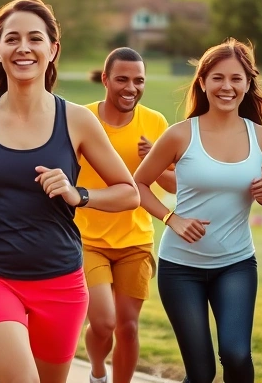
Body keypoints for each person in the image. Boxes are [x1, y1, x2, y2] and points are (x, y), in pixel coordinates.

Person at [0, 0, 140, 383]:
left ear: (52, 49)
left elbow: (128, 192)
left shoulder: (77, 120)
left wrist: (78, 193)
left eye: (34, 38)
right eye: (12, 39)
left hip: (60, 279)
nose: (23, 48)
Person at [133, 38, 262, 383]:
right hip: (180, 269)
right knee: (200, 373)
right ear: (203, 82)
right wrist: (172, 218)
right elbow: (137, 185)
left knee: (238, 357)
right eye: (218, 78)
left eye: (236, 79)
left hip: (237, 264)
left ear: (248, 83)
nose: (227, 87)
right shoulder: (180, 135)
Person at [75, 48, 175, 383]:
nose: (130, 87)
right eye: (122, 79)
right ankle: (97, 372)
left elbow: (171, 185)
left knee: (128, 327)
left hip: (135, 239)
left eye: (138, 80)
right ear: (105, 80)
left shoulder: (155, 123)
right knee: (103, 322)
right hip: (88, 238)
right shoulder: (81, 118)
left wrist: (155, 161)